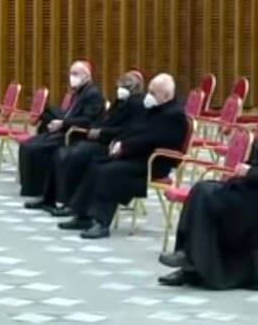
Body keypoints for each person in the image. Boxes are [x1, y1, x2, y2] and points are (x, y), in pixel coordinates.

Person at [156, 99, 258, 290]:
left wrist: (250, 172)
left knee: (204, 193)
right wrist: (253, 163)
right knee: (201, 190)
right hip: (252, 188)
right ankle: (188, 260)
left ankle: (190, 261)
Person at [58, 73, 188, 239]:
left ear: (167, 96)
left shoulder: (174, 115)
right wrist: (120, 142)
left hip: (153, 163)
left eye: (154, 93)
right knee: (96, 164)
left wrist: (125, 147)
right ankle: (83, 216)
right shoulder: (153, 108)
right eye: (149, 90)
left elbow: (154, 140)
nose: (149, 95)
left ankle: (101, 222)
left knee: (110, 172)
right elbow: (133, 129)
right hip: (138, 156)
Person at [34, 69, 147, 216]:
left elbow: (126, 130)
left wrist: (101, 132)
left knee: (76, 156)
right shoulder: (120, 102)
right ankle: (50, 198)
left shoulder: (139, 105)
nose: (121, 89)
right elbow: (108, 121)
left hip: (112, 144)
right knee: (59, 153)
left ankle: (70, 203)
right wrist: (98, 130)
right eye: (121, 85)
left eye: (126, 86)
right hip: (102, 139)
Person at [19, 59, 105, 203]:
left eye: (76, 74)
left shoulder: (93, 94)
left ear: (86, 76)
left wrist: (62, 124)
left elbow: (87, 120)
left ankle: (37, 190)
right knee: (28, 144)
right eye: (71, 73)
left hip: (77, 134)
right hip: (66, 129)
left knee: (34, 148)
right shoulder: (79, 92)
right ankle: (36, 190)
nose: (72, 77)